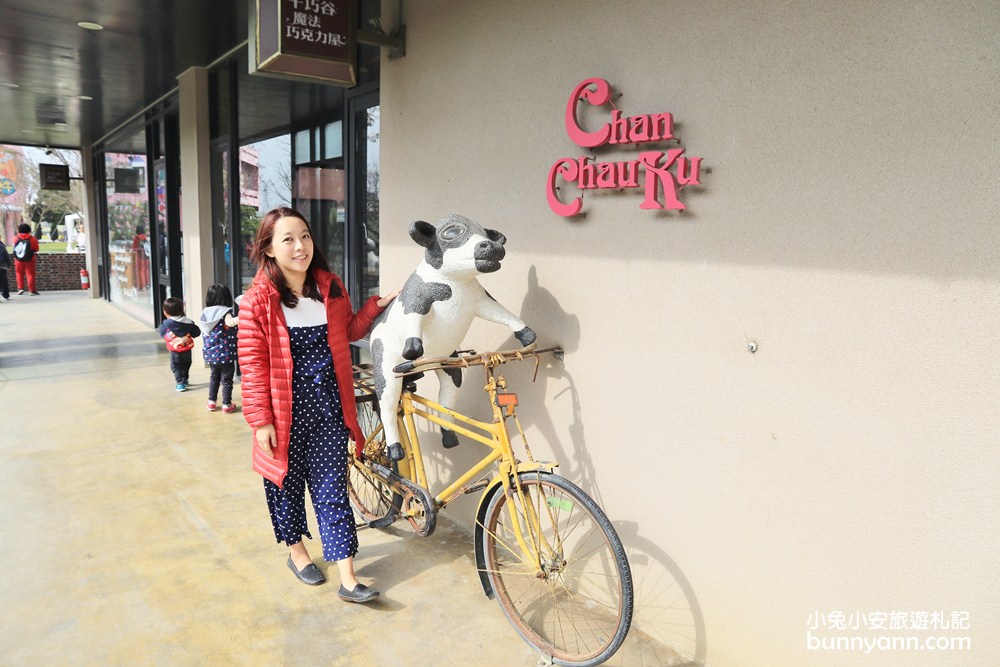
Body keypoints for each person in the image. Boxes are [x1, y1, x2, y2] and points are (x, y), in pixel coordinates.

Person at [237, 206, 396, 602]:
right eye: (287, 239)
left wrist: (377, 306)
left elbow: (348, 332)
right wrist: (260, 421)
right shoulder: (257, 302)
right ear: (269, 249)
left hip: (328, 409)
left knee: (332, 490)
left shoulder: (329, 287)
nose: (300, 246)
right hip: (282, 414)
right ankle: (297, 552)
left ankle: (348, 579)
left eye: (305, 236)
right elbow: (253, 366)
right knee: (285, 488)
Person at [197, 283, 239, 413]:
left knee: (214, 377)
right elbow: (230, 323)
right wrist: (244, 316)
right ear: (226, 297)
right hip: (226, 353)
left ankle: (211, 402)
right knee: (227, 380)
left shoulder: (205, 313)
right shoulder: (225, 313)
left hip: (211, 354)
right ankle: (226, 404)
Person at [158, 297, 201, 392]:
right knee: (186, 364)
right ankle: (185, 379)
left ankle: (180, 383)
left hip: (175, 351)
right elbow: (197, 333)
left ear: (165, 312)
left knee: (176, 367)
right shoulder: (189, 323)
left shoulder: (166, 325)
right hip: (187, 350)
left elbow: (162, 333)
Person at [12, 222, 40, 295]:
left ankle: (20, 288)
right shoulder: (32, 239)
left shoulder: (16, 238)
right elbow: (36, 249)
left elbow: (14, 248)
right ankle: (32, 290)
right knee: (30, 274)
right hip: (30, 259)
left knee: (19, 273)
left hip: (18, 259)